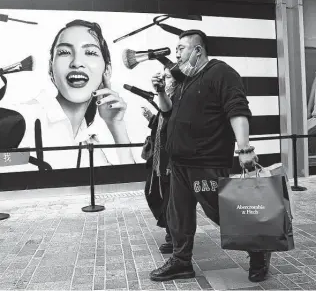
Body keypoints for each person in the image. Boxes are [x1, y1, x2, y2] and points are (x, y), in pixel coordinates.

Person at [149, 29, 271, 283]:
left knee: (223, 214)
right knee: (178, 215)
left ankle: (259, 251)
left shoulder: (221, 73)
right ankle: (181, 262)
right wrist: (160, 92)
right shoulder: (184, 79)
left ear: (198, 50)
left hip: (207, 162)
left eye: (181, 48)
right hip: (180, 163)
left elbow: (237, 110)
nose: (177, 53)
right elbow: (168, 112)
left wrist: (245, 149)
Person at [1, 20, 135, 170]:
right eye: (64, 52)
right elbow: (4, 162)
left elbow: (127, 188)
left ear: (107, 71)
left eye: (90, 52)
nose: (77, 62)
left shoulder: (87, 143)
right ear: (50, 69)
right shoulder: (22, 118)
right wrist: (23, 159)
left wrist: (116, 126)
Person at [141, 66, 179, 254]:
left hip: (172, 161)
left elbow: (171, 119)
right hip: (158, 161)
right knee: (155, 194)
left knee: (173, 199)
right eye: (163, 75)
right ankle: (171, 231)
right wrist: (150, 118)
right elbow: (161, 125)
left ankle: (175, 236)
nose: (165, 79)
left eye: (169, 76)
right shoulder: (165, 97)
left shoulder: (180, 98)